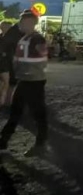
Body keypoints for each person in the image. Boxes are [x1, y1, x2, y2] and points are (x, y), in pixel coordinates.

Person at [0, 10, 48, 157]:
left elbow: (42, 59)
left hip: (33, 81)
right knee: (17, 111)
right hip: (26, 80)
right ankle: (3, 140)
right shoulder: (25, 38)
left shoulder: (36, 39)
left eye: (22, 21)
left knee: (37, 113)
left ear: (30, 23)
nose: (20, 24)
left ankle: (40, 144)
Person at [0, 21, 14, 108]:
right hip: (4, 65)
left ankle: (3, 101)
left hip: (5, 64)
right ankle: (3, 101)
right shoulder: (9, 39)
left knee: (5, 83)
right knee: (6, 83)